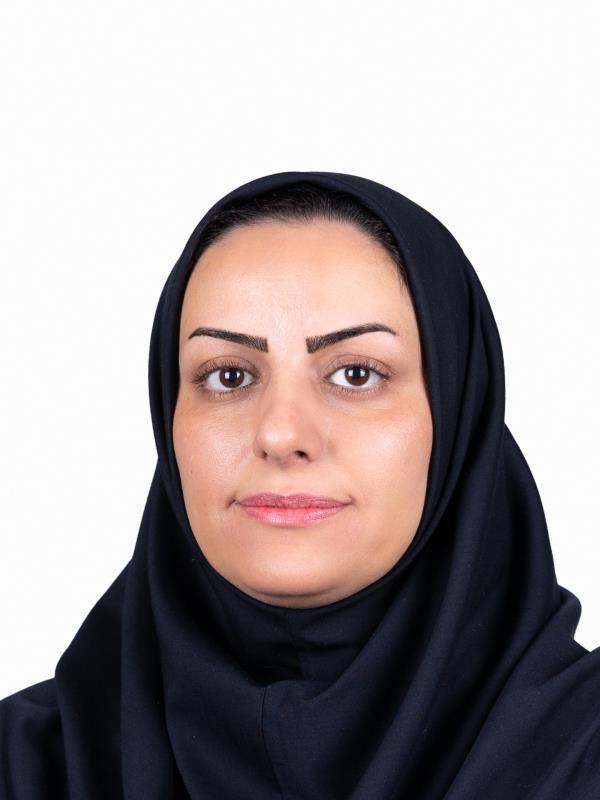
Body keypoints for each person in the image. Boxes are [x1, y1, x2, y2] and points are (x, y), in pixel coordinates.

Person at [1, 170, 599, 799]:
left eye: (357, 374)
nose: (281, 433)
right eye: (229, 376)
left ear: (457, 416)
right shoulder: (27, 769)